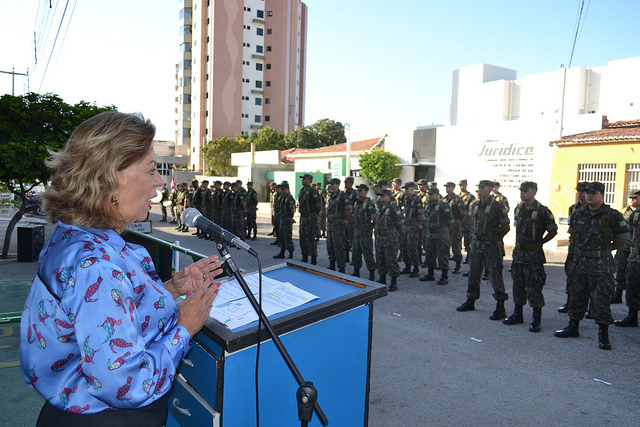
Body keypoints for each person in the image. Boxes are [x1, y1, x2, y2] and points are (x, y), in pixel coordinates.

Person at [20, 111, 223, 425]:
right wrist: (184, 327)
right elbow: (127, 385)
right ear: (111, 178)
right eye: (152, 170)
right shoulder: (98, 265)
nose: (158, 183)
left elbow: (99, 318)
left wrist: (170, 288)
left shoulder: (79, 237)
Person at [554, 181, 630, 350]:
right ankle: (573, 327)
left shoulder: (612, 215)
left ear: (602, 195)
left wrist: (605, 250)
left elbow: (624, 238)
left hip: (601, 265)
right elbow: (573, 238)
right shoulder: (578, 213)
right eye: (587, 192)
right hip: (579, 263)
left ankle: (603, 335)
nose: (588, 195)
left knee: (601, 300)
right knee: (576, 297)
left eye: (593, 193)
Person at [502, 182, 557, 332]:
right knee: (518, 286)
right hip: (519, 254)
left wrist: (540, 242)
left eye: (525, 191)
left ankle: (536, 319)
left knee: (534, 287)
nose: (522, 193)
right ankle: (517, 314)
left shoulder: (542, 211)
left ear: (534, 192)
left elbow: (553, 230)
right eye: (521, 190)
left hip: (534, 256)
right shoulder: (518, 209)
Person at [457, 180, 510, 320]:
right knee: (474, 274)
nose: (479, 190)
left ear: (490, 189)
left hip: (491, 245)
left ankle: (500, 307)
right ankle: (471, 300)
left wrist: (495, 238)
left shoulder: (497, 206)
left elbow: (506, 227)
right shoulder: (474, 205)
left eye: (482, 188)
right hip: (476, 245)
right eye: (478, 188)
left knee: (495, 275)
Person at [559, 181, 588, 313]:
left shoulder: (595, 209)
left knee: (590, 276)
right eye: (579, 191)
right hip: (574, 246)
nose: (580, 194)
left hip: (588, 248)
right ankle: (570, 301)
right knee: (570, 272)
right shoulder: (573, 208)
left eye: (584, 192)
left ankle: (592, 306)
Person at [611, 190, 640, 303]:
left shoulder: (637, 213)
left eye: (635, 198)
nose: (632, 200)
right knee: (620, 270)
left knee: (634, 276)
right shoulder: (625, 211)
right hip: (625, 247)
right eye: (630, 198)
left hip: (635, 248)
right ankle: (618, 295)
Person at [420, 187, 454, 284]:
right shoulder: (428, 205)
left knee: (443, 255)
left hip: (441, 234)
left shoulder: (443, 205)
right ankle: (430, 274)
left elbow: (450, 220)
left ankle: (444, 276)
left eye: (431, 194)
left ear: (437, 195)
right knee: (429, 254)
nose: (429, 196)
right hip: (430, 233)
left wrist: (443, 230)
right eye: (428, 194)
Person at [616, 197, 640, 328]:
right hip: (636, 256)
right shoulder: (636, 214)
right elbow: (629, 233)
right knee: (633, 286)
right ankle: (632, 316)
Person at [375, 189, 404, 291]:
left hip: (390, 238)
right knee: (380, 259)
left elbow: (400, 222)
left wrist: (394, 232)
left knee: (391, 259)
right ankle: (382, 278)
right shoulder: (379, 207)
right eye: (380, 196)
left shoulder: (393, 207)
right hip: (380, 237)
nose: (381, 198)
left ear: (388, 196)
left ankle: (393, 281)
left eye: (383, 196)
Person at [326, 178, 353, 273]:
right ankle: (332, 264)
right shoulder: (331, 195)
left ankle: (341, 267)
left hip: (338, 224)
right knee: (330, 246)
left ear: (337, 184)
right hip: (330, 224)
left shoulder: (342, 195)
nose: (331, 186)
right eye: (330, 184)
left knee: (339, 246)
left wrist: (343, 219)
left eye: (332, 184)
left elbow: (349, 209)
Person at [351, 183, 377, 280]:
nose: (358, 192)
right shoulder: (357, 202)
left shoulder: (369, 203)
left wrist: (370, 227)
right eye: (358, 190)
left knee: (367, 253)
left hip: (365, 231)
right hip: (357, 231)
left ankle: (371, 273)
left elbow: (374, 217)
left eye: (360, 190)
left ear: (366, 192)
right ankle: (356, 271)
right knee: (355, 252)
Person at [400, 182, 424, 278]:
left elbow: (421, 215)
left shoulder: (417, 200)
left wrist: (417, 224)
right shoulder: (406, 198)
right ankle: (407, 266)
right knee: (405, 247)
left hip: (413, 227)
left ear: (412, 189)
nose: (405, 191)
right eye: (405, 189)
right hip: (405, 226)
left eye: (407, 189)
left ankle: (416, 269)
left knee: (412, 248)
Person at [297, 174, 322, 264]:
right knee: (303, 238)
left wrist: (313, 214)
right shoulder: (302, 191)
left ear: (310, 180)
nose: (302, 180)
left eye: (304, 179)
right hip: (303, 218)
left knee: (311, 238)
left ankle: (313, 259)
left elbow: (318, 205)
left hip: (311, 218)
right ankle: (304, 257)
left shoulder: (313, 191)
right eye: (302, 179)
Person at [443, 182, 466, 274]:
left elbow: (463, 213)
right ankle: (445, 265)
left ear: (453, 188)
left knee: (456, 245)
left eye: (449, 187)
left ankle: (458, 266)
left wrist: (457, 222)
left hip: (455, 225)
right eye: (446, 187)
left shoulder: (457, 199)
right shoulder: (444, 199)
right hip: (446, 226)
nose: (447, 189)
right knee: (445, 245)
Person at [274, 182, 295, 259]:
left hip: (287, 220)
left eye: (282, 189)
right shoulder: (282, 197)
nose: (281, 190)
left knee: (287, 237)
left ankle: (291, 254)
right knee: (281, 237)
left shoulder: (290, 198)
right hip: (281, 220)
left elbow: (292, 210)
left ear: (286, 189)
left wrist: (289, 218)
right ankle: (282, 253)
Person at [458, 179, 476, 264]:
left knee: (468, 240)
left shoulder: (470, 197)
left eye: (463, 185)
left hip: (467, 222)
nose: (461, 187)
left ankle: (469, 256)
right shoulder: (457, 196)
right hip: (459, 221)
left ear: (466, 185)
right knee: (457, 239)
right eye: (460, 185)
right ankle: (457, 255)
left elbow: (472, 210)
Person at [343, 177, 358, 263]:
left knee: (352, 239)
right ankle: (346, 256)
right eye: (345, 183)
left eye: (347, 183)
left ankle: (354, 259)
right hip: (344, 218)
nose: (345, 184)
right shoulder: (343, 194)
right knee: (345, 238)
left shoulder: (355, 194)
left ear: (351, 183)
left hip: (352, 219)